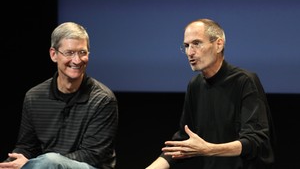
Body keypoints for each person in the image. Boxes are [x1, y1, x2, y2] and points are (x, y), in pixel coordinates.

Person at [146, 18, 275, 169]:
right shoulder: (195, 85)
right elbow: (184, 139)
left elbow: (256, 141)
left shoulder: (245, 81)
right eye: (186, 46)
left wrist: (208, 149)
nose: (190, 52)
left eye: (197, 43)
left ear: (218, 44)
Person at [0, 22, 118, 169]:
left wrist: (36, 164)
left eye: (82, 52)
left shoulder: (103, 99)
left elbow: (93, 155)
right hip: (44, 165)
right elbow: (26, 147)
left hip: (89, 166)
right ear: (53, 54)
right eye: (69, 53)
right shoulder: (34, 96)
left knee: (50, 161)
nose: (77, 60)